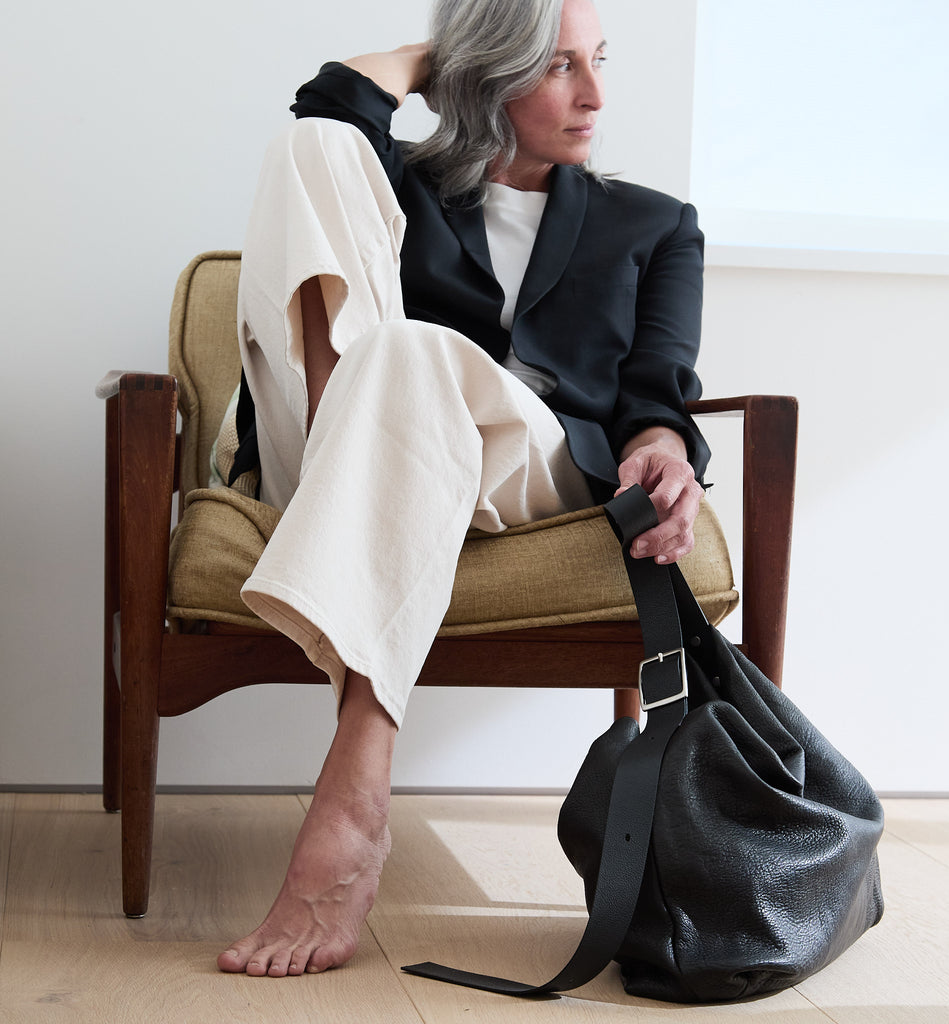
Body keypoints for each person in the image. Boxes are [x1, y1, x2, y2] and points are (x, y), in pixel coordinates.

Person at [216, 0, 709, 979]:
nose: (595, 94)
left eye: (595, 61)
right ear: (490, 71)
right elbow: (328, 108)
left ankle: (355, 788)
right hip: (349, 421)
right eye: (557, 65)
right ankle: (354, 476)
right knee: (312, 150)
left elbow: (657, 390)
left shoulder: (653, 224)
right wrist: (445, 54)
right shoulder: (402, 187)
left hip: (525, 463)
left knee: (413, 353)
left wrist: (661, 443)